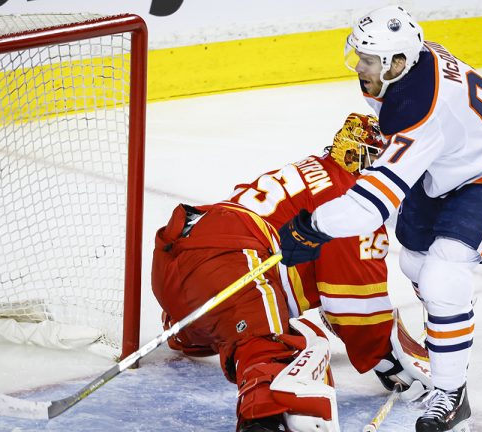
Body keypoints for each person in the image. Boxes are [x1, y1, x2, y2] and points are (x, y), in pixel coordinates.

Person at [277, 6, 482, 432]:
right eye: (358, 55)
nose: (359, 66)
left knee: (442, 276)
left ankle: (452, 395)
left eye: (369, 59)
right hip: (448, 163)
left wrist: (313, 227)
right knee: (414, 263)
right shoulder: (406, 67)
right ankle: (446, 326)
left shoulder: (420, 107)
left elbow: (371, 205)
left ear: (398, 63)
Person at [151, 113, 430, 432]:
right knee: (289, 352)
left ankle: (187, 330)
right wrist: (389, 359)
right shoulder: (352, 207)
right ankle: (264, 419)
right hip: (225, 261)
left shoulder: (316, 168)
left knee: (240, 315)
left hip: (182, 267)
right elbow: (357, 312)